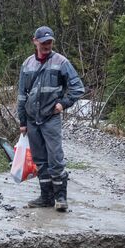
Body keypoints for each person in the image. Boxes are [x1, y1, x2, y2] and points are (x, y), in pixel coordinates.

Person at [17, 25, 86, 211]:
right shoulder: (27, 64)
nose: (47, 45)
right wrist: (22, 121)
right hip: (32, 120)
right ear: (35, 41)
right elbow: (22, 95)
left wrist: (63, 104)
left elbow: (78, 88)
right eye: (43, 42)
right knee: (40, 160)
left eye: (49, 42)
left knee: (55, 159)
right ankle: (46, 197)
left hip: (50, 119)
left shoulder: (61, 62)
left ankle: (61, 198)